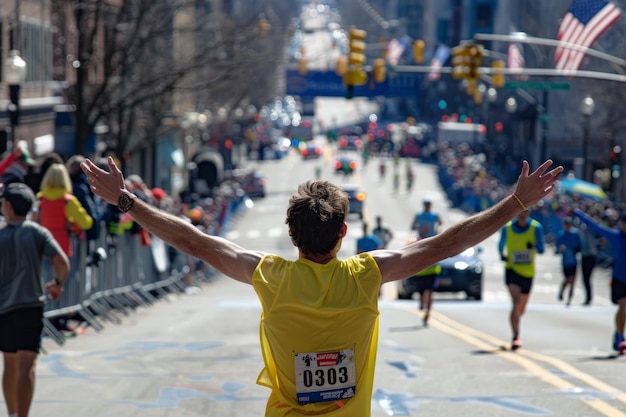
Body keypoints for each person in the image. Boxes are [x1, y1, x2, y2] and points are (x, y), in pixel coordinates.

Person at [81, 156, 562, 416]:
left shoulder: (270, 276)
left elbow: (196, 242)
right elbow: (446, 244)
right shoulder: (366, 275)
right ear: (343, 233)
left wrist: (126, 200)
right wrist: (515, 202)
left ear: (291, 235)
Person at [0, 182, 70, 417]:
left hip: (3, 308)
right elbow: (61, 262)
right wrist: (57, 284)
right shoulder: (37, 232)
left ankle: (11, 414)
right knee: (26, 365)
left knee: (9, 364)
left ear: (8, 206)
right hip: (30, 306)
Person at [573, 208, 626, 353]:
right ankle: (621, 337)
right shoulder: (616, 236)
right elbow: (596, 227)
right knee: (622, 305)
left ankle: (618, 332)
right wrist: (579, 214)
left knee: (623, 308)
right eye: (624, 223)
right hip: (619, 278)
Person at [498, 208, 546, 350]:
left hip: (528, 273)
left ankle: (516, 322)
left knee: (521, 309)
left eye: (525, 213)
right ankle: (516, 336)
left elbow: (542, 249)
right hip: (511, 269)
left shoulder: (536, 228)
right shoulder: (507, 228)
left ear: (529, 213)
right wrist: (502, 253)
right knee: (516, 301)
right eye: (520, 212)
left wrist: (533, 246)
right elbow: (501, 245)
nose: (522, 215)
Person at [555, 217, 582, 306]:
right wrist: (560, 248)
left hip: (573, 261)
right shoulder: (561, 234)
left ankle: (569, 301)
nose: (567, 226)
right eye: (566, 224)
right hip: (565, 262)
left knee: (573, 281)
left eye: (569, 224)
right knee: (568, 280)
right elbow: (557, 247)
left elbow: (580, 245)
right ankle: (562, 289)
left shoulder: (575, 234)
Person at [579, 221, 598, 305]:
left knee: (588, 277)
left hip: (591, 256)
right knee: (585, 278)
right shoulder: (581, 231)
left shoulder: (593, 230)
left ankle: (589, 298)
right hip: (584, 256)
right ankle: (588, 297)